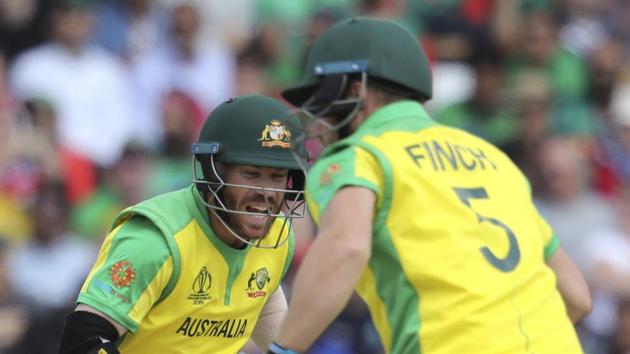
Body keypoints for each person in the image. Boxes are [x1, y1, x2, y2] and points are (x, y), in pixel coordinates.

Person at [268, 17, 591, 354]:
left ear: (355, 91)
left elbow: (346, 247)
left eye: (321, 99)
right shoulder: (493, 159)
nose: (318, 117)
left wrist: (282, 348)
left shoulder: (359, 156)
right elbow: (577, 296)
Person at [58, 95, 306, 354]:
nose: (267, 193)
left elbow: (263, 295)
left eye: (278, 177)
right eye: (251, 175)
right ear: (214, 172)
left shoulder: (277, 236)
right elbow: (81, 342)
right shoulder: (156, 239)